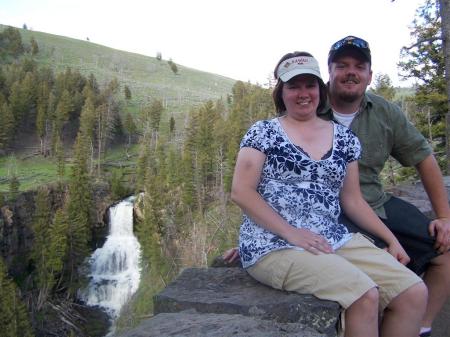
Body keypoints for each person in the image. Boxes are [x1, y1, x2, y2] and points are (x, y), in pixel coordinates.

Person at [231, 51, 427, 337]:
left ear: (320, 90)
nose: (303, 93)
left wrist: (391, 239)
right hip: (273, 245)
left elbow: (353, 200)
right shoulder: (263, 133)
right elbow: (241, 192)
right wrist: (291, 233)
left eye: (309, 85)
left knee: (413, 292)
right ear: (281, 92)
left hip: (330, 237)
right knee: (364, 295)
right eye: (293, 86)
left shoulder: (345, 139)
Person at [318, 35, 450, 337]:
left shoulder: (384, 112)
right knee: (369, 279)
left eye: (359, 66)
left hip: (375, 203)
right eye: (342, 65)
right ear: (330, 72)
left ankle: (421, 326)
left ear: (369, 75)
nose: (351, 72)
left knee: (444, 250)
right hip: (326, 214)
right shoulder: (309, 106)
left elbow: (424, 158)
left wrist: (444, 216)